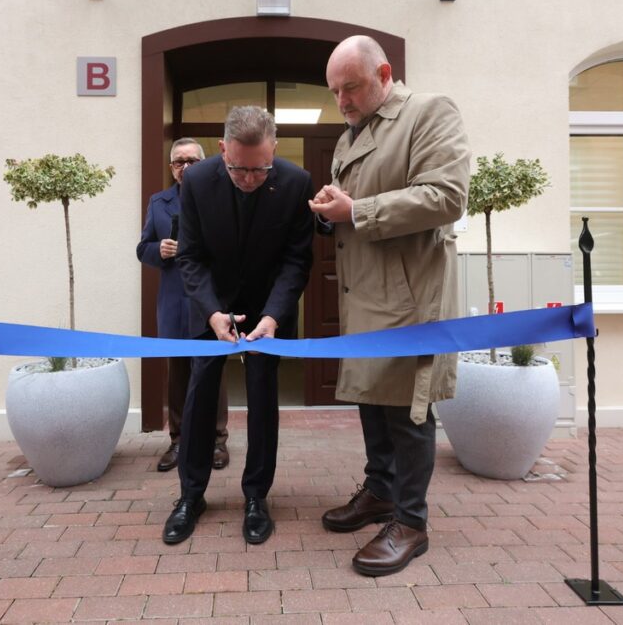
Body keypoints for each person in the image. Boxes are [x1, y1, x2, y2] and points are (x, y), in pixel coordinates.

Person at [309, 35, 470, 576]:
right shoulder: (350, 134)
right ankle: (379, 493)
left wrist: (357, 210)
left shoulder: (428, 112)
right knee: (372, 401)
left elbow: (447, 194)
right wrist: (328, 208)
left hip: (408, 295)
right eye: (334, 91)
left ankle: (410, 521)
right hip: (363, 292)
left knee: (406, 409)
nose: (342, 101)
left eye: (350, 87)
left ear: (384, 74)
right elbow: (349, 206)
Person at [163, 106, 314, 546]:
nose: (250, 178)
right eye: (238, 168)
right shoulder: (196, 180)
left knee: (263, 399)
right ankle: (191, 496)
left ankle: (256, 497)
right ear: (221, 149)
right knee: (199, 396)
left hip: (268, 309)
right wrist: (212, 312)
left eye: (260, 169)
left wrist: (272, 316)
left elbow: (296, 260)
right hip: (210, 306)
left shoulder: (295, 182)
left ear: (275, 151)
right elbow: (190, 256)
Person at [137, 138, 230, 473]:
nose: (185, 167)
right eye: (179, 162)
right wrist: (157, 250)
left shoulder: (221, 196)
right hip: (175, 300)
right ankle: (178, 440)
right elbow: (142, 247)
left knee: (213, 371)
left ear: (204, 164)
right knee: (178, 374)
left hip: (210, 301)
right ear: (171, 167)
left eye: (192, 161)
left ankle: (218, 440)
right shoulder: (158, 202)